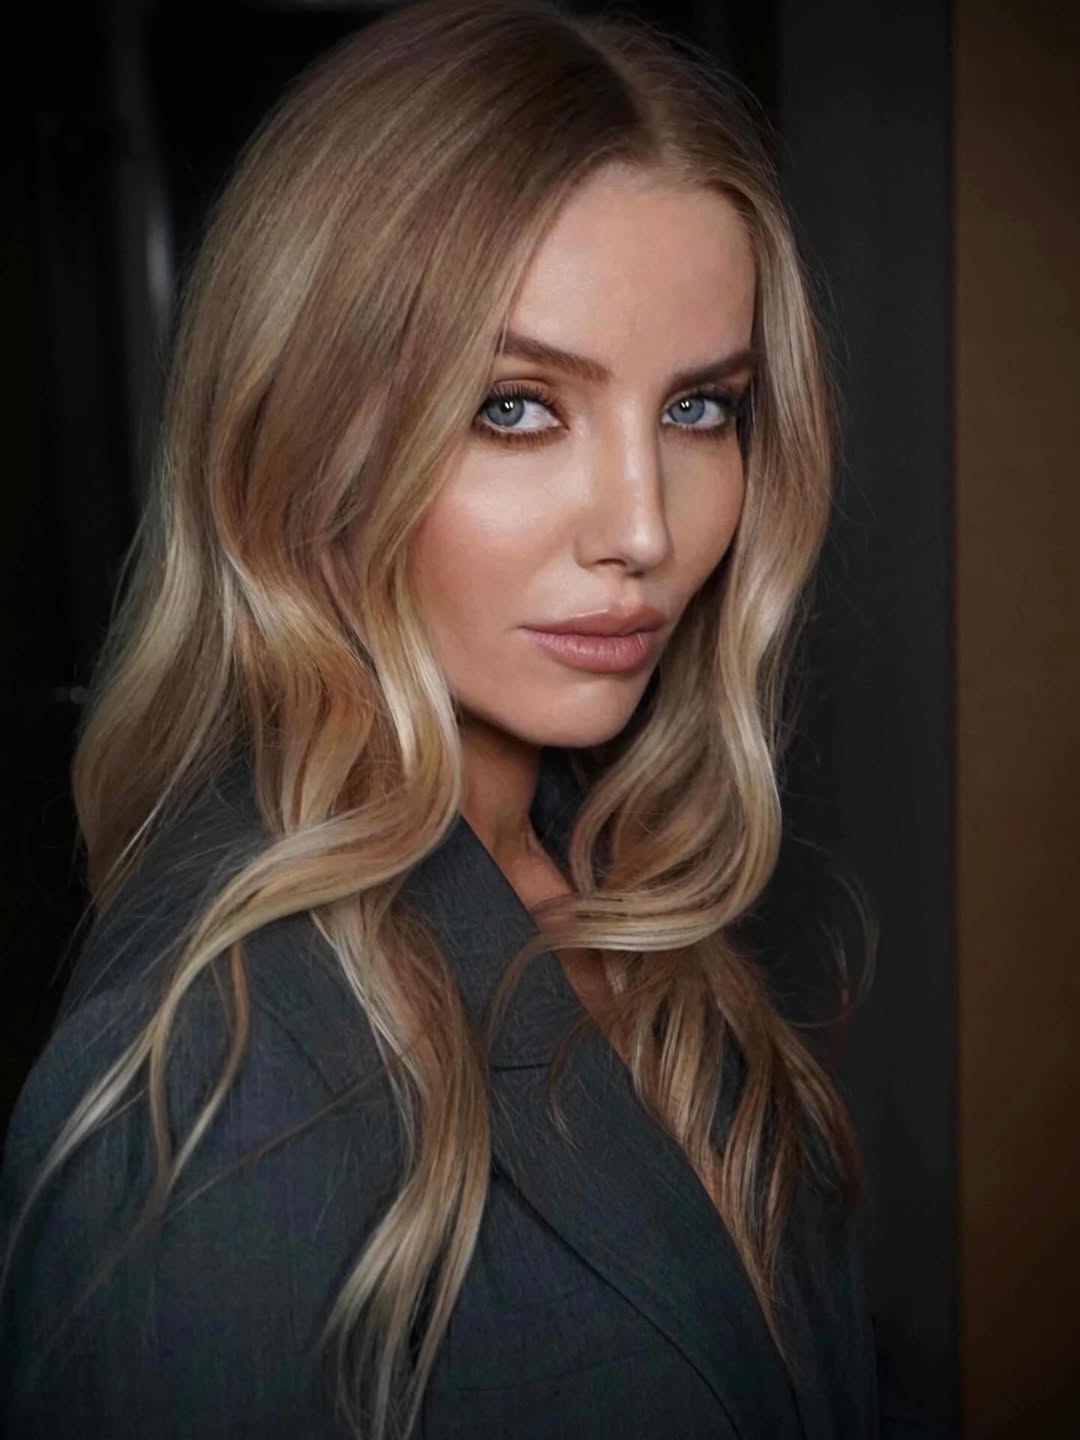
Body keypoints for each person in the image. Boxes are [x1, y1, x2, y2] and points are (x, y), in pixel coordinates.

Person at [0, 1, 951, 1436]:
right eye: (515, 407)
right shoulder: (209, 1080)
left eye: (701, 410)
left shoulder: (595, 854)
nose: (644, 529)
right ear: (307, 436)